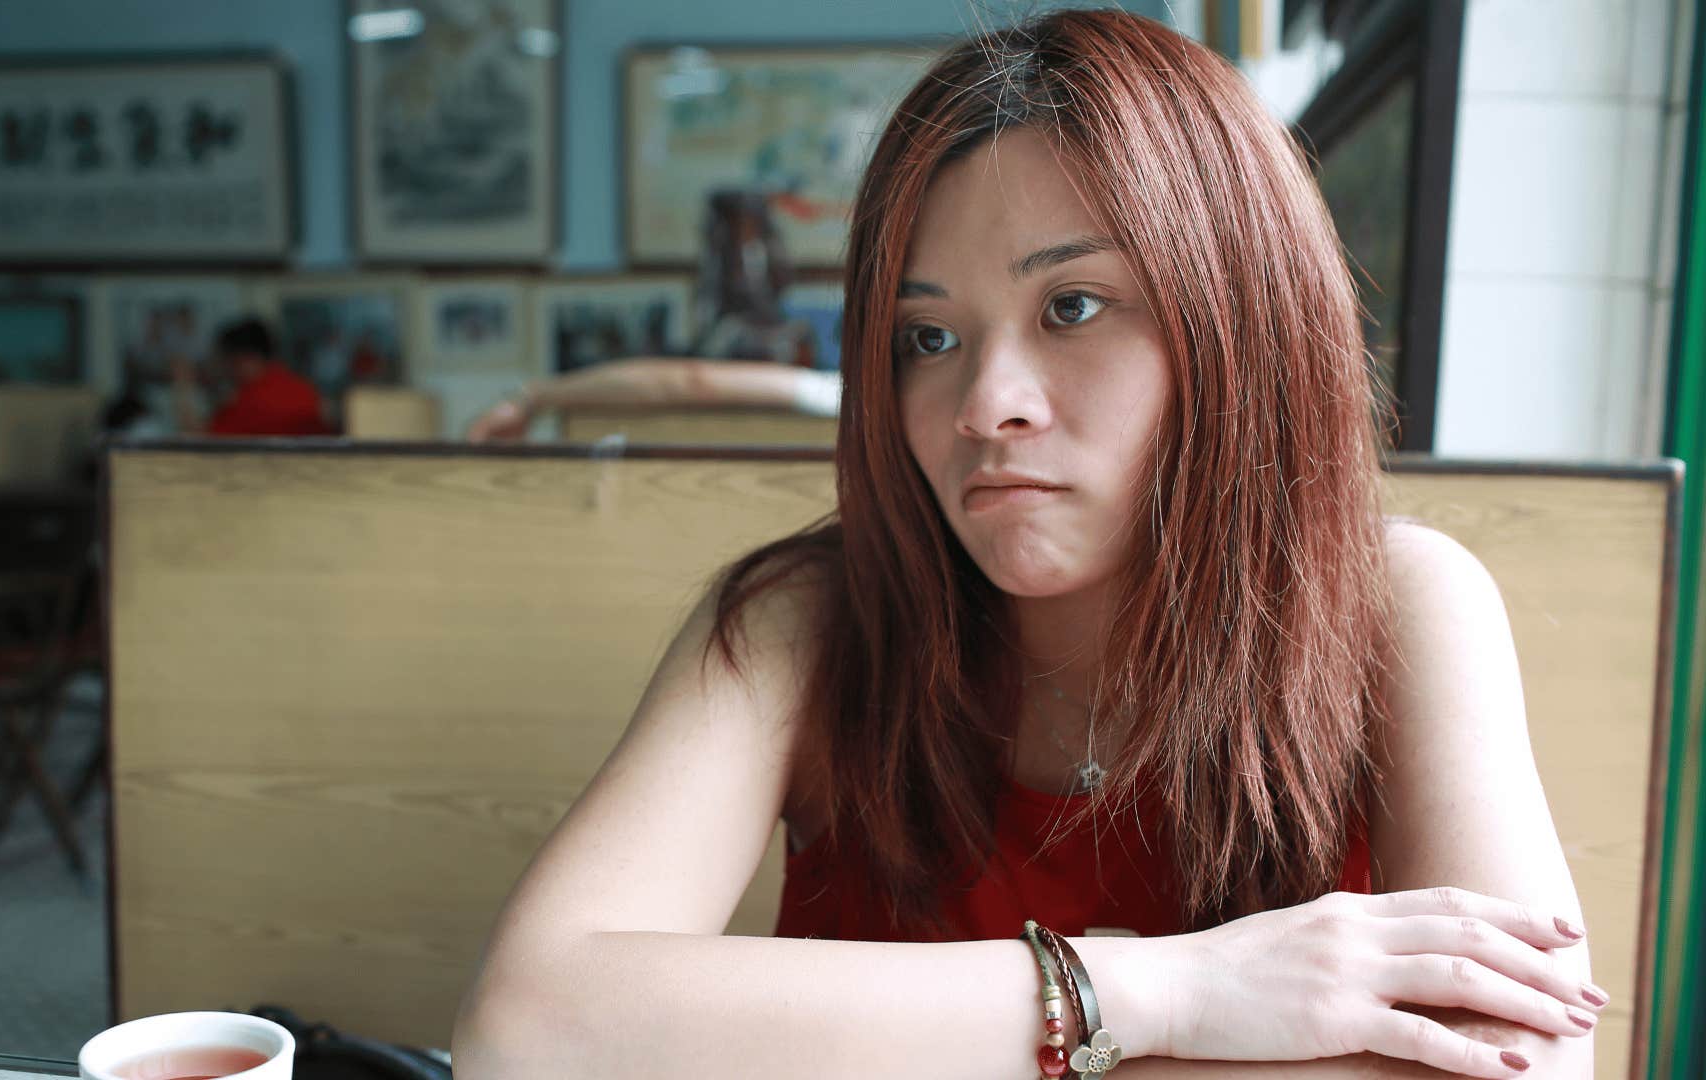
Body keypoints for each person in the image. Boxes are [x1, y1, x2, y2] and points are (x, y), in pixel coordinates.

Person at [451, 11, 1600, 1080]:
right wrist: (1170, 991)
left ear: (1239, 320)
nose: (983, 403)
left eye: (1071, 307)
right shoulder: (812, 621)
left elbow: (1532, 1065)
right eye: (928, 334)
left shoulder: (1399, 603)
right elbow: (529, 1026)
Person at [462, 357, 840, 441]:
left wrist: (532, 398)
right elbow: (694, 382)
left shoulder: (848, 396)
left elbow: (693, 382)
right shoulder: (850, 396)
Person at [171, 318, 329, 437]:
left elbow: (198, 439)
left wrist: (183, 385)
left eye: (225, 359)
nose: (224, 368)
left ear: (244, 360)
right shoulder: (302, 387)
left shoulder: (253, 399)